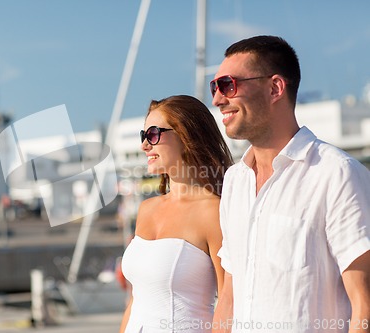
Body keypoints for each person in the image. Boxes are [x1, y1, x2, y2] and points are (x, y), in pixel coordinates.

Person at [211, 35, 370, 333]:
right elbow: (229, 299)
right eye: (214, 87)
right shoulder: (235, 181)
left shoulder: (335, 173)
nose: (218, 99)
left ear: (274, 88)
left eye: (228, 85)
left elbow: (365, 304)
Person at [119, 95, 234, 333]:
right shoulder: (146, 209)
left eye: (153, 134)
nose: (144, 145)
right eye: (144, 136)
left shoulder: (214, 211)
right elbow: (136, 300)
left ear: (186, 136)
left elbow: (229, 303)